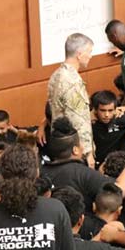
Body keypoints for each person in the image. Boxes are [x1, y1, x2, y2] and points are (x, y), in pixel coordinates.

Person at [47, 33, 96, 168]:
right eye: (89, 52)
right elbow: (77, 119)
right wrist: (87, 152)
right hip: (74, 151)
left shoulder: (56, 75)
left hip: (60, 143)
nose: (91, 56)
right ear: (79, 54)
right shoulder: (72, 82)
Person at [90, 90, 125, 166]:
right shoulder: (88, 122)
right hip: (102, 165)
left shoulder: (121, 117)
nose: (107, 114)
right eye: (103, 110)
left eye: (110, 110)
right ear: (95, 110)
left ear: (115, 109)